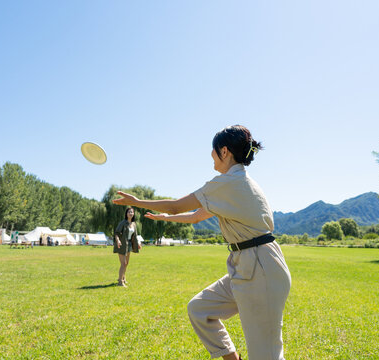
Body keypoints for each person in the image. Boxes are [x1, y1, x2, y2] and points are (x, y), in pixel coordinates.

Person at [113, 125, 291, 360]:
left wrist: (138, 202)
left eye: (213, 151)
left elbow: (177, 204)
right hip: (247, 263)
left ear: (224, 151)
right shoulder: (234, 184)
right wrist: (167, 217)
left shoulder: (228, 183)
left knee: (265, 355)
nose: (211, 157)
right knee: (200, 309)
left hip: (260, 267)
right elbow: (196, 216)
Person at [113, 207, 141, 287]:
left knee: (127, 263)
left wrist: (138, 243)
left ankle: (123, 278)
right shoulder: (123, 223)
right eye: (129, 212)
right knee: (123, 263)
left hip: (129, 245)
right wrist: (118, 240)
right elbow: (117, 233)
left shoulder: (134, 224)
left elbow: (135, 235)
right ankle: (120, 282)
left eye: (132, 212)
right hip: (122, 244)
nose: (131, 213)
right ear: (126, 213)